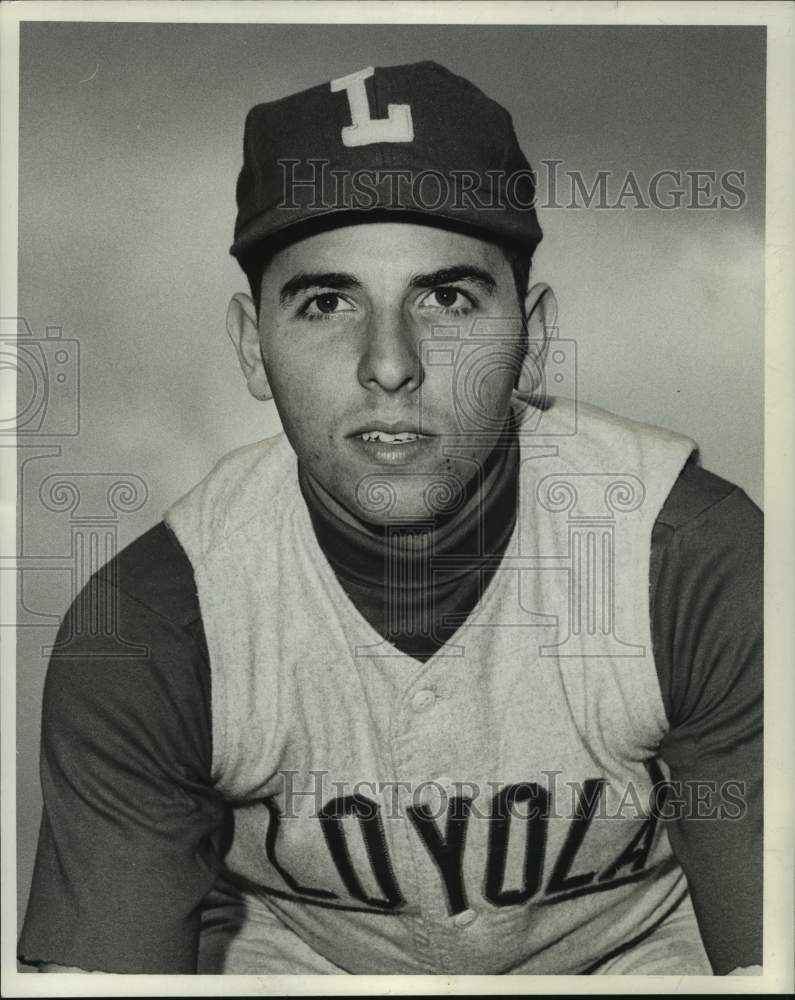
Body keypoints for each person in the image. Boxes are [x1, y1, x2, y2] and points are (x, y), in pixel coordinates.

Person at [18, 61, 762, 976]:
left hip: (636, 955)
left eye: (445, 299)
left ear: (530, 337)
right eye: (327, 303)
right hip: (297, 961)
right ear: (254, 347)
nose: (389, 363)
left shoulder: (690, 560)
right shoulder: (151, 624)